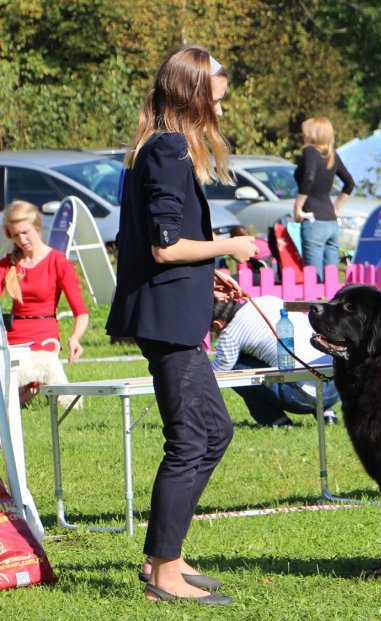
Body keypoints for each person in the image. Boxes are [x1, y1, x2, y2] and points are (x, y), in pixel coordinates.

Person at [105, 45, 257, 606]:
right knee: (192, 439)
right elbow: (166, 247)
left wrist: (209, 276)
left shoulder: (161, 147)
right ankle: (163, 573)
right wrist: (231, 247)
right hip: (168, 322)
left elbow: (156, 247)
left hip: (175, 308)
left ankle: (167, 554)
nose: (224, 94)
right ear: (195, 91)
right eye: (218, 85)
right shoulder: (168, 150)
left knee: (214, 432)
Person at [0, 200, 89, 403]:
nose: (22, 239)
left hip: (44, 335)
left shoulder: (58, 262)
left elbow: (81, 312)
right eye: (15, 235)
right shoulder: (7, 264)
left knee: (19, 389)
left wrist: (75, 338)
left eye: (26, 232)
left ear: (37, 227)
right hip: (14, 336)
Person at [210, 295, 339, 427]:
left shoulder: (230, 333)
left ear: (217, 324)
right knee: (299, 357)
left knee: (235, 367)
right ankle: (327, 413)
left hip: (303, 397)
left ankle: (276, 420)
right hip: (337, 383)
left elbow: (218, 372)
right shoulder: (268, 299)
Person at [293, 116, 355, 282]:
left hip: (314, 222)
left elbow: (309, 177)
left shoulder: (310, 151)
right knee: (331, 279)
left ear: (312, 134)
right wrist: (336, 207)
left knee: (313, 279)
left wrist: (298, 206)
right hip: (331, 222)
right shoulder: (332, 154)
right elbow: (349, 183)